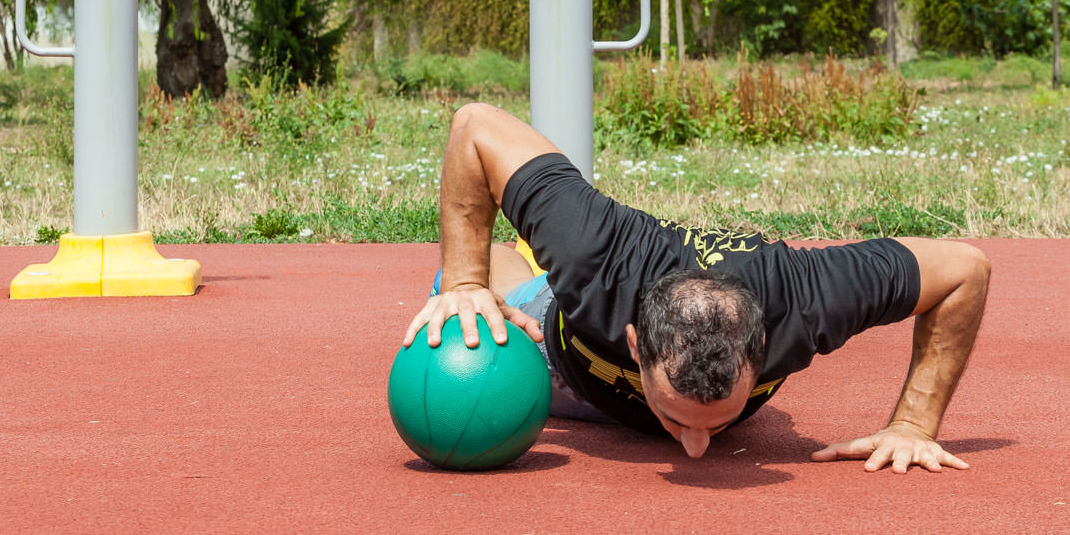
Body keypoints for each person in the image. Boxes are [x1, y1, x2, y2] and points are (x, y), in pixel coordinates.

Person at [402, 103, 991, 472]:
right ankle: (512, 272)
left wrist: (914, 424)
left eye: (713, 424)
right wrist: (463, 281)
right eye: (680, 419)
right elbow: (475, 125)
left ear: (763, 347)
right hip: (562, 359)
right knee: (472, 297)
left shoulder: (807, 300)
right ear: (635, 343)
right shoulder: (596, 256)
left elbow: (965, 268)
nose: (695, 450)